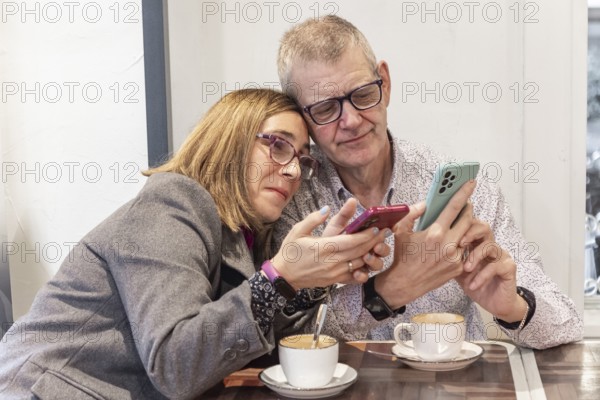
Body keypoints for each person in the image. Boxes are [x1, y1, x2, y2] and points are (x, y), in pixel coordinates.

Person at [0, 89, 391, 399]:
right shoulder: (173, 203)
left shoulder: (245, 233)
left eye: (303, 161)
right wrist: (280, 277)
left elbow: (256, 346)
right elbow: (176, 365)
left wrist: (313, 279)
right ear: (229, 140)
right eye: (278, 145)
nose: (292, 170)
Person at [273, 15, 583, 349]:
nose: (350, 120)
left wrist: (513, 309)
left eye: (362, 94)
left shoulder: (458, 190)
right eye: (324, 109)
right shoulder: (291, 201)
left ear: (385, 83)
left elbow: (566, 325)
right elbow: (282, 340)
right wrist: (387, 292)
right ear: (302, 118)